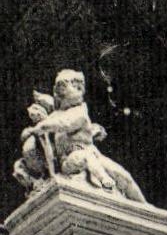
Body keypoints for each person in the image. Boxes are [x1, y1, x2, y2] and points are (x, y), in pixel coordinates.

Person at [15, 69, 145, 201]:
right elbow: (51, 129)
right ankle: (104, 179)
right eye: (73, 87)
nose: (79, 91)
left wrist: (39, 128)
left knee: (123, 176)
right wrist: (34, 130)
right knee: (84, 157)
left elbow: (65, 123)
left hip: (94, 154)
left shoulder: (80, 111)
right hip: (70, 160)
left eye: (78, 87)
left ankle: (145, 208)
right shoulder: (56, 115)